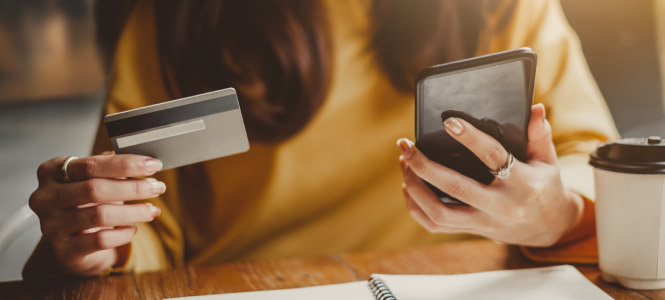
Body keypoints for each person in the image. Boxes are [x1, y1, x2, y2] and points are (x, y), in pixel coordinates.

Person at [24, 0, 618, 278]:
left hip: (469, 282)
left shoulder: (506, 8)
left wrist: (557, 213)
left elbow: (597, 164)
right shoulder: (173, 24)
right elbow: (147, 226)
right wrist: (106, 240)